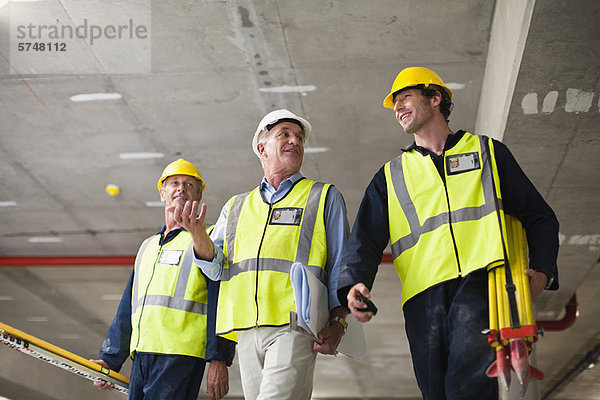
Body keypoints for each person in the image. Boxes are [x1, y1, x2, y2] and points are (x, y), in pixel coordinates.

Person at [337, 67, 559, 400]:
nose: (397, 108)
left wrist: (542, 271)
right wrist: (353, 283)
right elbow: (364, 240)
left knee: (466, 388)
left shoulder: (487, 153)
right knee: (436, 392)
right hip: (422, 299)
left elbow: (539, 217)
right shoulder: (391, 176)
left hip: (480, 282)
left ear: (435, 97)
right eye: (394, 103)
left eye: (405, 97)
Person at [182, 109, 350, 400]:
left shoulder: (322, 197)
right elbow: (216, 268)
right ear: (262, 147)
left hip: (294, 324)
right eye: (284, 134)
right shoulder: (236, 206)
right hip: (246, 329)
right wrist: (198, 236)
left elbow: (341, 265)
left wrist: (339, 322)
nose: (294, 141)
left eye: (299, 137)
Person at [91, 158, 235, 400]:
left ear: (198, 196)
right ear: (162, 193)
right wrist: (110, 358)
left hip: (180, 355)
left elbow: (222, 300)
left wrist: (219, 358)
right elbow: (128, 308)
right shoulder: (147, 247)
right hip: (143, 354)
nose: (181, 188)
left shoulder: (206, 239)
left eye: (190, 185)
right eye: (175, 183)